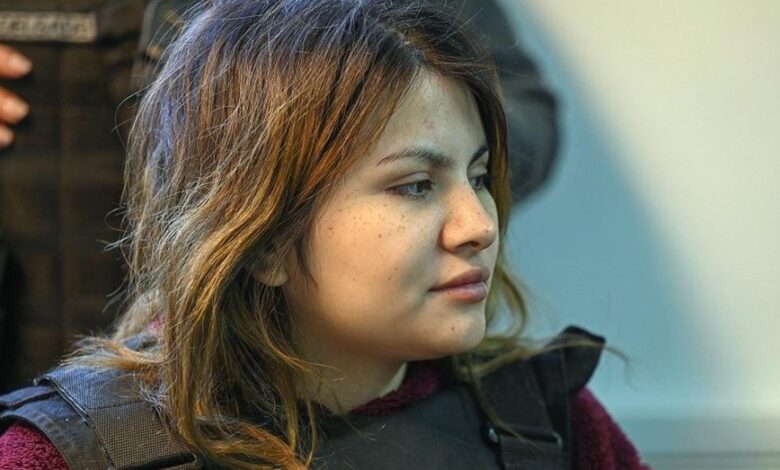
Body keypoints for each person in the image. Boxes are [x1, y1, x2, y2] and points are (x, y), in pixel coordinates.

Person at [0, 0, 650, 468]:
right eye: (415, 186)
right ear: (263, 241)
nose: (480, 226)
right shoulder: (69, 452)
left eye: (478, 177)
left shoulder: (545, 424)